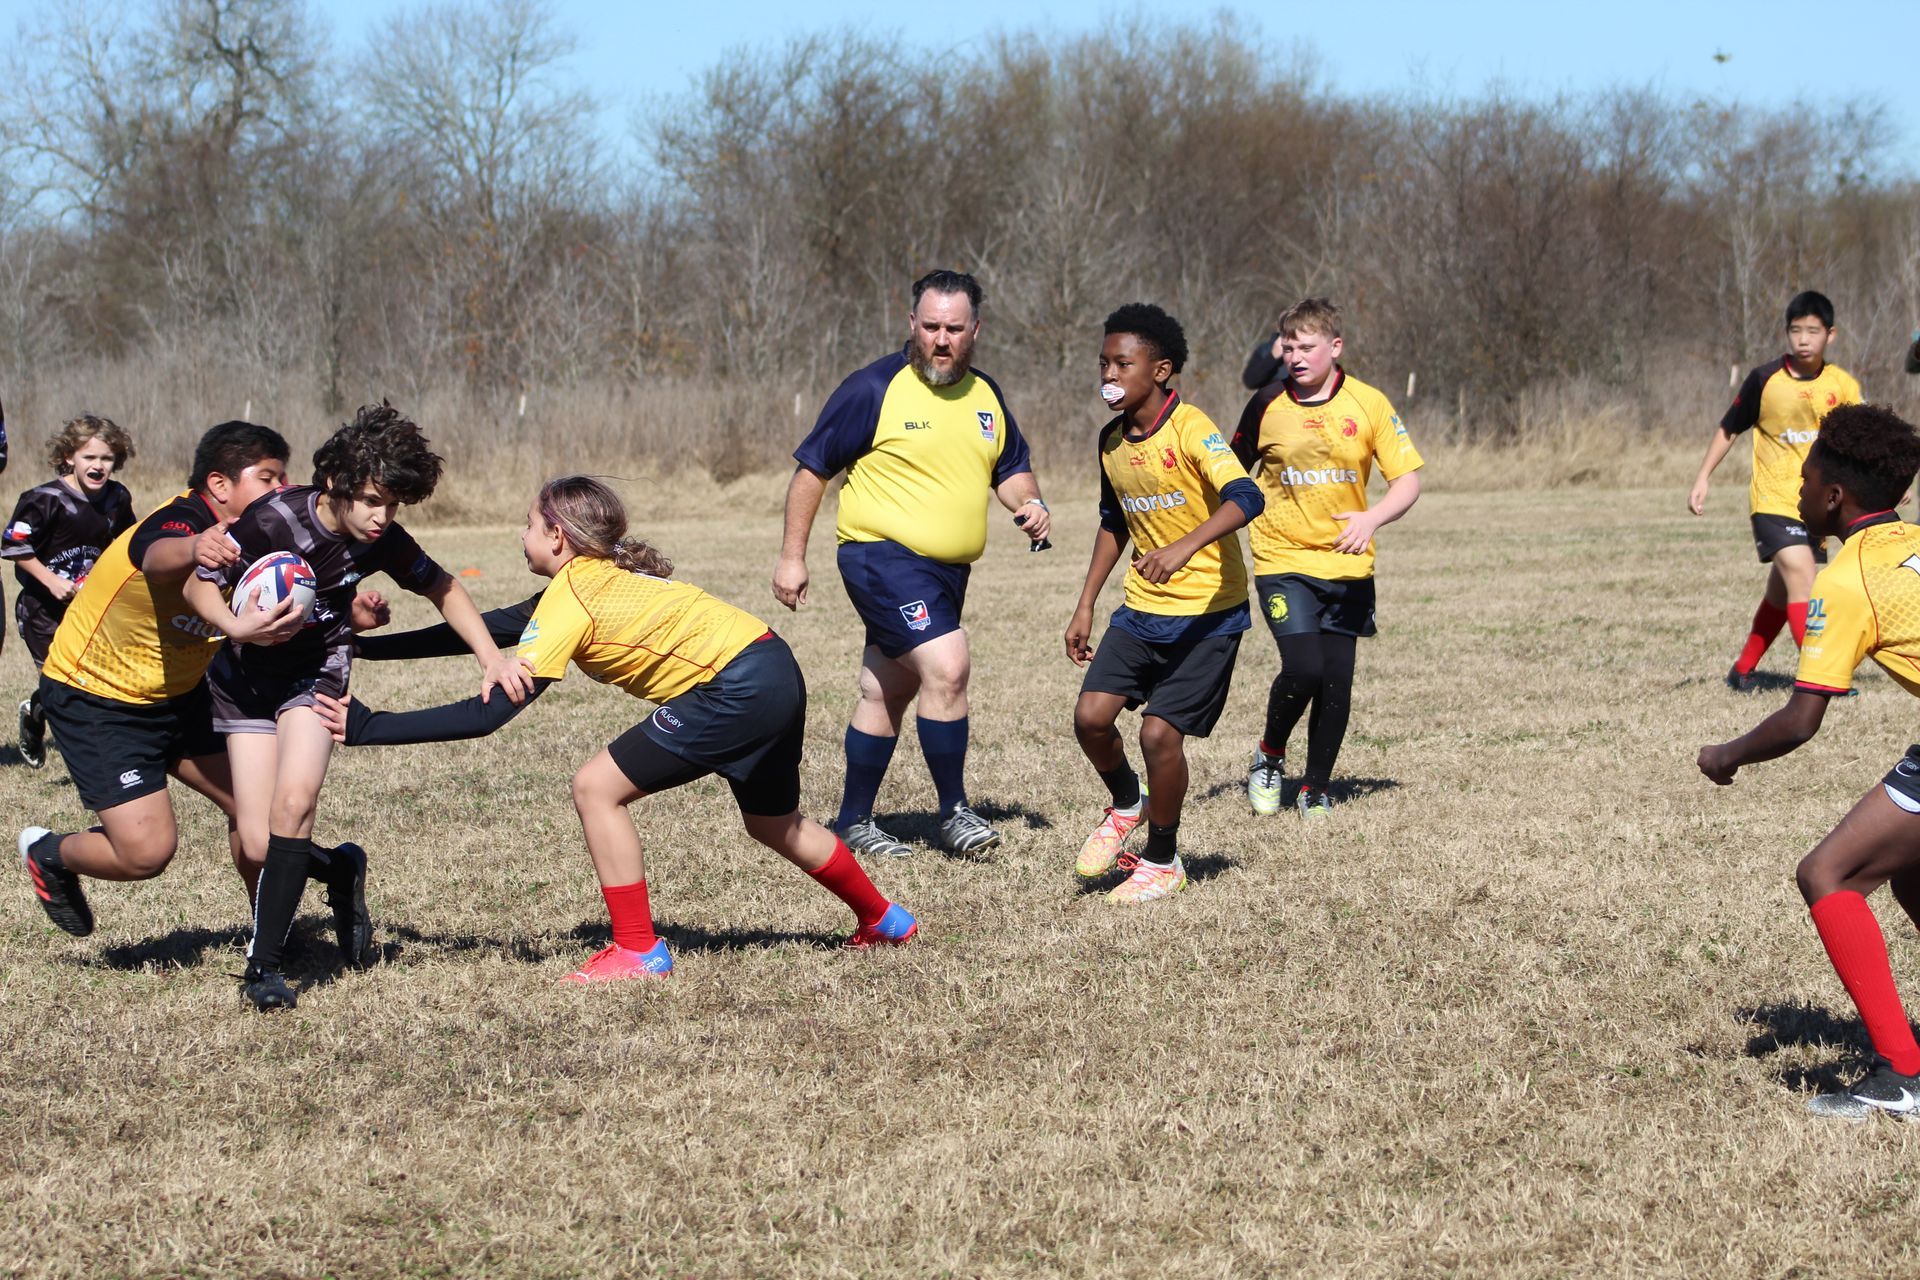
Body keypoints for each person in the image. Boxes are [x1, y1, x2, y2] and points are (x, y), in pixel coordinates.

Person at [317, 475, 918, 983]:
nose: (519, 535)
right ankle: (884, 920)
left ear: (556, 536)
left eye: (527, 524)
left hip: (734, 685)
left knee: (595, 788)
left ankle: (637, 948)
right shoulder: (592, 579)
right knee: (774, 823)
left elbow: (490, 715)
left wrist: (370, 726)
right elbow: (486, 627)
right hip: (772, 663)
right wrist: (369, 649)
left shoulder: (570, 598)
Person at [182, 402, 523, 1013]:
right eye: (371, 500)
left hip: (315, 677)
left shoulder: (384, 538)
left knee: (295, 804)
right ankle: (339, 871)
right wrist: (237, 624)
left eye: (392, 504)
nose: (381, 517)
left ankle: (263, 968)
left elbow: (444, 586)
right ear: (335, 482)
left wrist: (489, 659)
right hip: (244, 681)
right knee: (258, 842)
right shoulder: (272, 517)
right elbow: (195, 582)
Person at [17, 421, 370, 955]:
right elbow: (154, 554)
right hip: (99, 697)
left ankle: (269, 931)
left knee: (261, 814)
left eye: (285, 477)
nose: (282, 489)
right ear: (220, 486)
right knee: (146, 852)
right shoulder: (183, 521)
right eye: (268, 477)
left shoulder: (264, 533)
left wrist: (351, 618)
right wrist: (195, 547)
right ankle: (49, 854)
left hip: (185, 695)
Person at [772, 269, 1051, 858]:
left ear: (975, 329)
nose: (941, 340)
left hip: (948, 572)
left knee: (887, 687)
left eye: (953, 328)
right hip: (880, 557)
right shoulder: (874, 388)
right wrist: (792, 557)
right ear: (911, 325)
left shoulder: (987, 395)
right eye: (930, 327)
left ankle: (852, 820)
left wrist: (1029, 502)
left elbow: (1011, 468)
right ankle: (954, 813)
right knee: (947, 667)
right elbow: (811, 471)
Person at [1697, 403, 1920, 1117]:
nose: (1796, 481)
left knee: (1828, 873)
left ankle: (1903, 1078)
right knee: (1912, 876)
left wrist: (1727, 754)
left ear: (1833, 496)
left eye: (1808, 468)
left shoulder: (1847, 578)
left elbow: (1801, 720)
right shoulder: (1913, 543)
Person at [1065, 304, 1263, 902]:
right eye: (1103, 362)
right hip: (1141, 609)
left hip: (1208, 615)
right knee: (1091, 719)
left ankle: (1163, 859)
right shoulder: (1110, 442)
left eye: (1123, 363)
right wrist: (1085, 605)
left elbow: (1246, 496)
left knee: (1158, 735)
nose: (1109, 373)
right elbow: (1113, 523)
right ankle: (1129, 804)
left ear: (1160, 369)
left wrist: (1185, 546)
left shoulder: (1190, 427)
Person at [1229, 298, 1422, 817]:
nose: (1295, 357)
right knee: (1304, 668)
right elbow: (1227, 472)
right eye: (1288, 347)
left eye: (1306, 347)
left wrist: (1372, 518)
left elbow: (1407, 480)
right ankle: (1269, 754)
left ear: (1335, 348)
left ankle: (1316, 786)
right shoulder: (1267, 403)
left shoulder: (1369, 404)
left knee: (1337, 681)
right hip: (1281, 558)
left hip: (1348, 564)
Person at [1688, 290, 1863, 691]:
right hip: (1772, 501)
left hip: (1815, 507)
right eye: (1795, 330)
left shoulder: (1842, 385)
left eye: (1812, 331)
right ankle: (1821, 679)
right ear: (1787, 333)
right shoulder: (1765, 380)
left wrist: (1887, 481)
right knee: (1803, 575)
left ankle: (1743, 670)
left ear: (1830, 335)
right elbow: (1729, 427)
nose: (1803, 339)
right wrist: (1703, 477)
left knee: (1782, 594)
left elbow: (1861, 437)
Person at [4, 413, 137, 768]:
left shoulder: (117, 499)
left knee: (89, 682)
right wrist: (50, 579)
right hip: (42, 610)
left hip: (89, 608)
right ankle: (47, 723)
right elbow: (12, 546)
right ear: (69, 457)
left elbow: (126, 544)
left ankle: (39, 709)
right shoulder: (43, 499)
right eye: (89, 457)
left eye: (106, 458)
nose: (98, 466)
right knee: (63, 685)